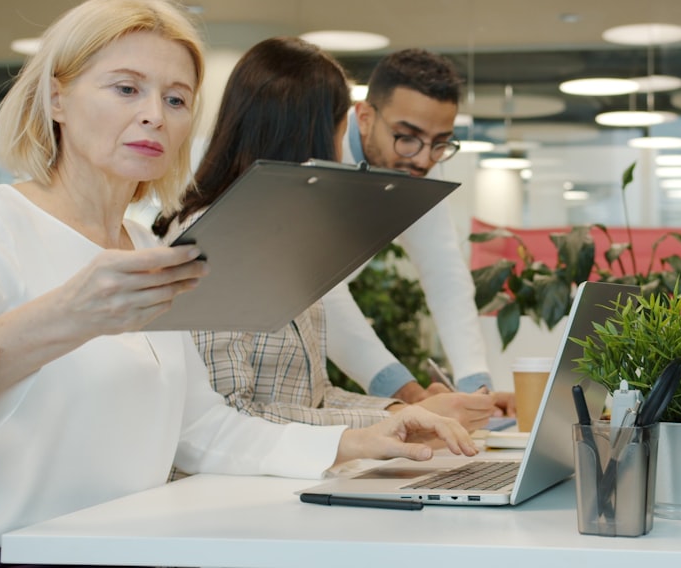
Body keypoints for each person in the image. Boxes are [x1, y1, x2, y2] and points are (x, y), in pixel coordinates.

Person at [0, 0, 477, 558]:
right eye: (126, 89)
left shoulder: (147, 248)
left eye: (176, 99)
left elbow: (203, 430)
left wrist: (355, 438)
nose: (153, 115)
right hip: (13, 552)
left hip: (128, 546)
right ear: (56, 98)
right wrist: (66, 317)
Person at [154, 37, 495, 431]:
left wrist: (445, 400)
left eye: (438, 145)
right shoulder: (222, 242)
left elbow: (313, 395)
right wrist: (406, 409)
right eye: (338, 129)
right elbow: (228, 416)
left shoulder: (287, 234)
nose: (422, 158)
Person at [334, 48, 516, 415]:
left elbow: (446, 276)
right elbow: (320, 295)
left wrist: (477, 393)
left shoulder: (417, 164)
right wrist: (410, 393)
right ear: (365, 118)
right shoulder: (319, 149)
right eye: (407, 136)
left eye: (439, 143)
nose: (423, 159)